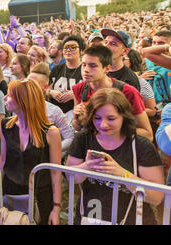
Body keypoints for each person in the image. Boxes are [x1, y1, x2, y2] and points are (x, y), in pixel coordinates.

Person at [66, 88, 164, 225]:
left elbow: (156, 197)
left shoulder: (142, 146)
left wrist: (123, 175)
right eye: (97, 118)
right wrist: (86, 167)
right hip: (90, 218)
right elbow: (71, 179)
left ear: (124, 117)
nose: (103, 124)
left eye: (111, 118)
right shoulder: (83, 139)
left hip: (133, 219)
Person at [0, 79, 62, 225]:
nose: (4, 98)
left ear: (23, 101)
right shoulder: (6, 125)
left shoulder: (51, 132)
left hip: (40, 198)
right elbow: (2, 161)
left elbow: (55, 172)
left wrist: (57, 208)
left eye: (9, 95)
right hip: (11, 194)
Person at [72, 45, 153, 141]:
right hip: (93, 147)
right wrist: (78, 120)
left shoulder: (128, 92)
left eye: (93, 66)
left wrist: (112, 128)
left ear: (107, 68)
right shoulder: (79, 89)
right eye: (84, 64)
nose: (86, 70)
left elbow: (147, 134)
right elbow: (77, 126)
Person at [28, 63, 75, 157]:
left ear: (45, 87)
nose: (27, 86)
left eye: (32, 83)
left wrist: (51, 150)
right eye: (26, 82)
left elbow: (70, 138)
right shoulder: (17, 105)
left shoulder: (54, 111)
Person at [48, 35, 86, 121]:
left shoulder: (85, 70)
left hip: (76, 117)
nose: (68, 50)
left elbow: (93, 91)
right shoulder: (56, 69)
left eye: (73, 47)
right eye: (66, 47)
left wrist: (76, 94)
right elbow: (45, 88)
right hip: (55, 114)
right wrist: (51, 92)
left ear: (81, 51)